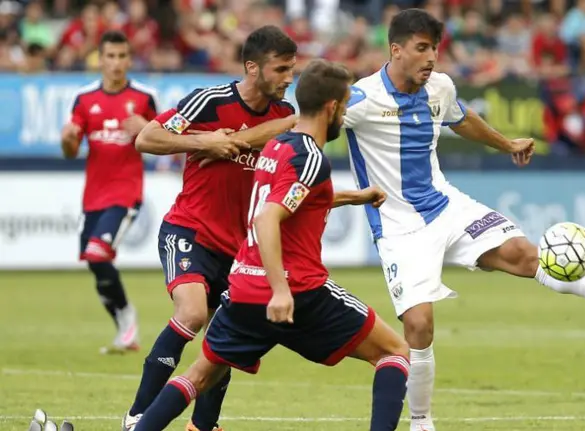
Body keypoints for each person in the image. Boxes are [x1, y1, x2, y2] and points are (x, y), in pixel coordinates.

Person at [342, 9, 585, 430]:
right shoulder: (362, 99)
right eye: (421, 48)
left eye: (435, 47)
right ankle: (421, 421)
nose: (431, 57)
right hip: (399, 226)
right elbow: (311, 120)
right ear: (395, 50)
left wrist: (506, 144)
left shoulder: (440, 87)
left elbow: (461, 118)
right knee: (419, 324)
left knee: (523, 254)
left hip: (445, 204)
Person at [133, 59, 409, 431]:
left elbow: (290, 202)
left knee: (198, 375)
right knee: (395, 352)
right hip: (297, 290)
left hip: (243, 288)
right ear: (332, 108)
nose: (344, 115)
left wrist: (353, 197)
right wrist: (280, 290)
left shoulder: (276, 147)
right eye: (344, 106)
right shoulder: (311, 157)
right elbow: (267, 218)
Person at [122, 25, 299, 431]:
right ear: (252, 68)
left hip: (239, 250)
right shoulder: (211, 101)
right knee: (193, 311)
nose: (289, 77)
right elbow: (148, 138)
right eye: (281, 69)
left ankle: (203, 426)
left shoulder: (284, 117)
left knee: (225, 340)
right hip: (190, 230)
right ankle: (136, 418)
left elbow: (297, 129)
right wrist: (206, 143)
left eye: (293, 69)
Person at [60, 30, 159, 355]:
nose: (116, 63)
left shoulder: (144, 97)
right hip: (93, 197)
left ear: (130, 59)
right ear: (100, 59)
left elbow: (165, 141)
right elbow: (71, 150)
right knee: (93, 259)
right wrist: (68, 137)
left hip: (125, 193)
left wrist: (145, 128)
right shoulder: (85, 99)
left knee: (98, 253)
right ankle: (124, 331)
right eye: (110, 57)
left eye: (122, 56)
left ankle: (127, 318)